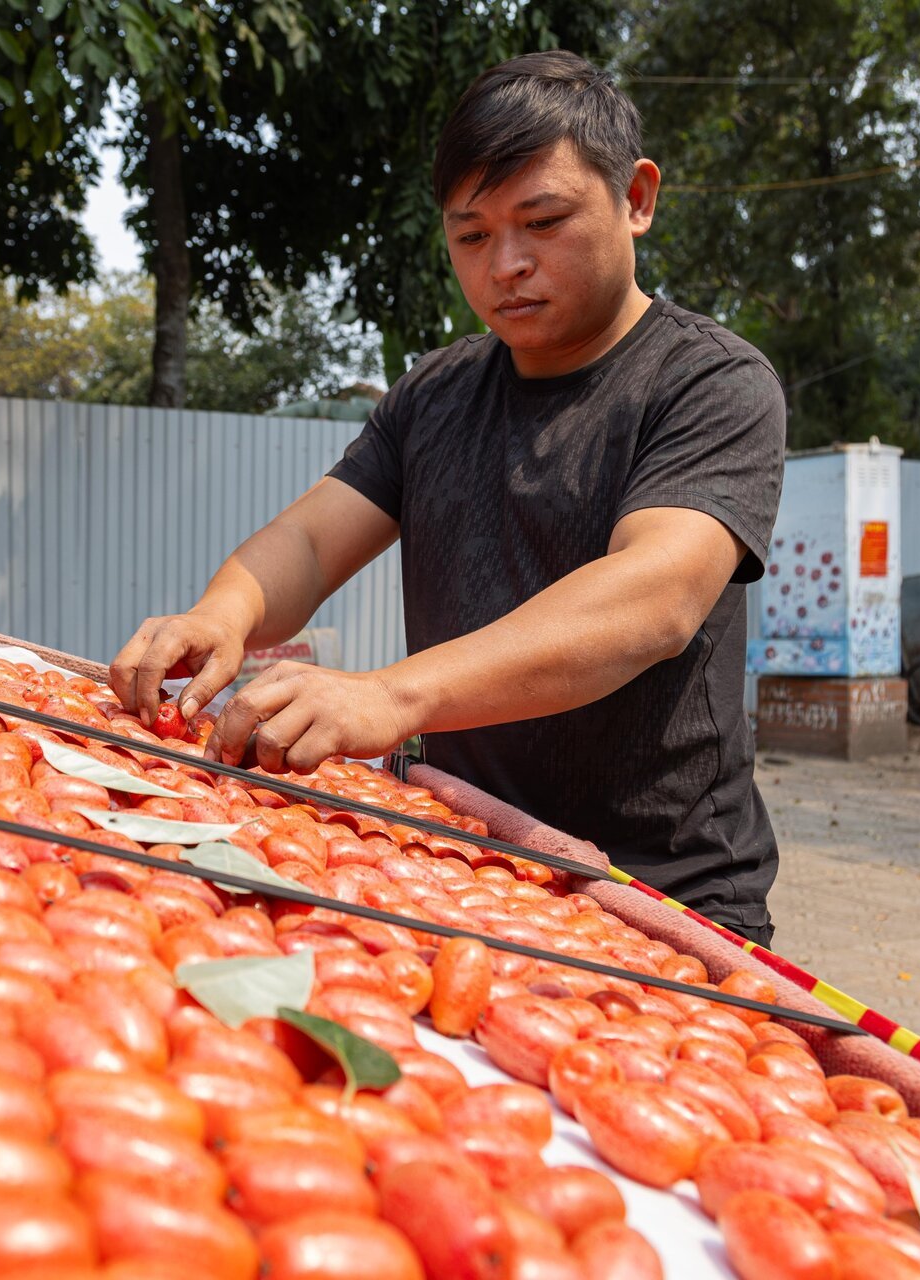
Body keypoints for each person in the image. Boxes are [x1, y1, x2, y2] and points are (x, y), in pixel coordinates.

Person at [109, 51, 788, 945]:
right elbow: (313, 541)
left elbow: (653, 596)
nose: (506, 264)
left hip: (655, 888)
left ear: (637, 198)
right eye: (471, 235)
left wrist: (389, 698)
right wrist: (224, 612)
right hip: (464, 852)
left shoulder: (710, 383)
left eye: (542, 221)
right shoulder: (437, 393)